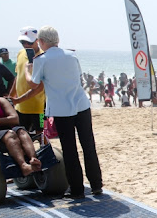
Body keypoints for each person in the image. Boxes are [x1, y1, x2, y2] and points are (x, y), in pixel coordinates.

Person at [24, 26, 103, 199]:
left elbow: (34, 84)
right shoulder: (72, 55)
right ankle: (96, 184)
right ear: (57, 40)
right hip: (81, 105)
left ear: (42, 41)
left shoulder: (41, 60)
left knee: (69, 149)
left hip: (61, 110)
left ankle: (77, 189)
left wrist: (26, 71)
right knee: (89, 146)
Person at [0, 75, 41, 176]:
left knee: (21, 131)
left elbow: (15, 119)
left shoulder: (1, 101)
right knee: (9, 134)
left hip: (4, 128)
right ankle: (24, 166)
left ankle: (34, 160)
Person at [9, 27, 46, 134]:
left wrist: (18, 100)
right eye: (23, 42)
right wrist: (11, 96)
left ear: (37, 41)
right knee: (21, 134)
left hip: (38, 108)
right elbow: (18, 76)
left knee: (41, 134)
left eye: (29, 42)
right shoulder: (20, 53)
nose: (26, 45)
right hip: (20, 106)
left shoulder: (44, 57)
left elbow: (39, 87)